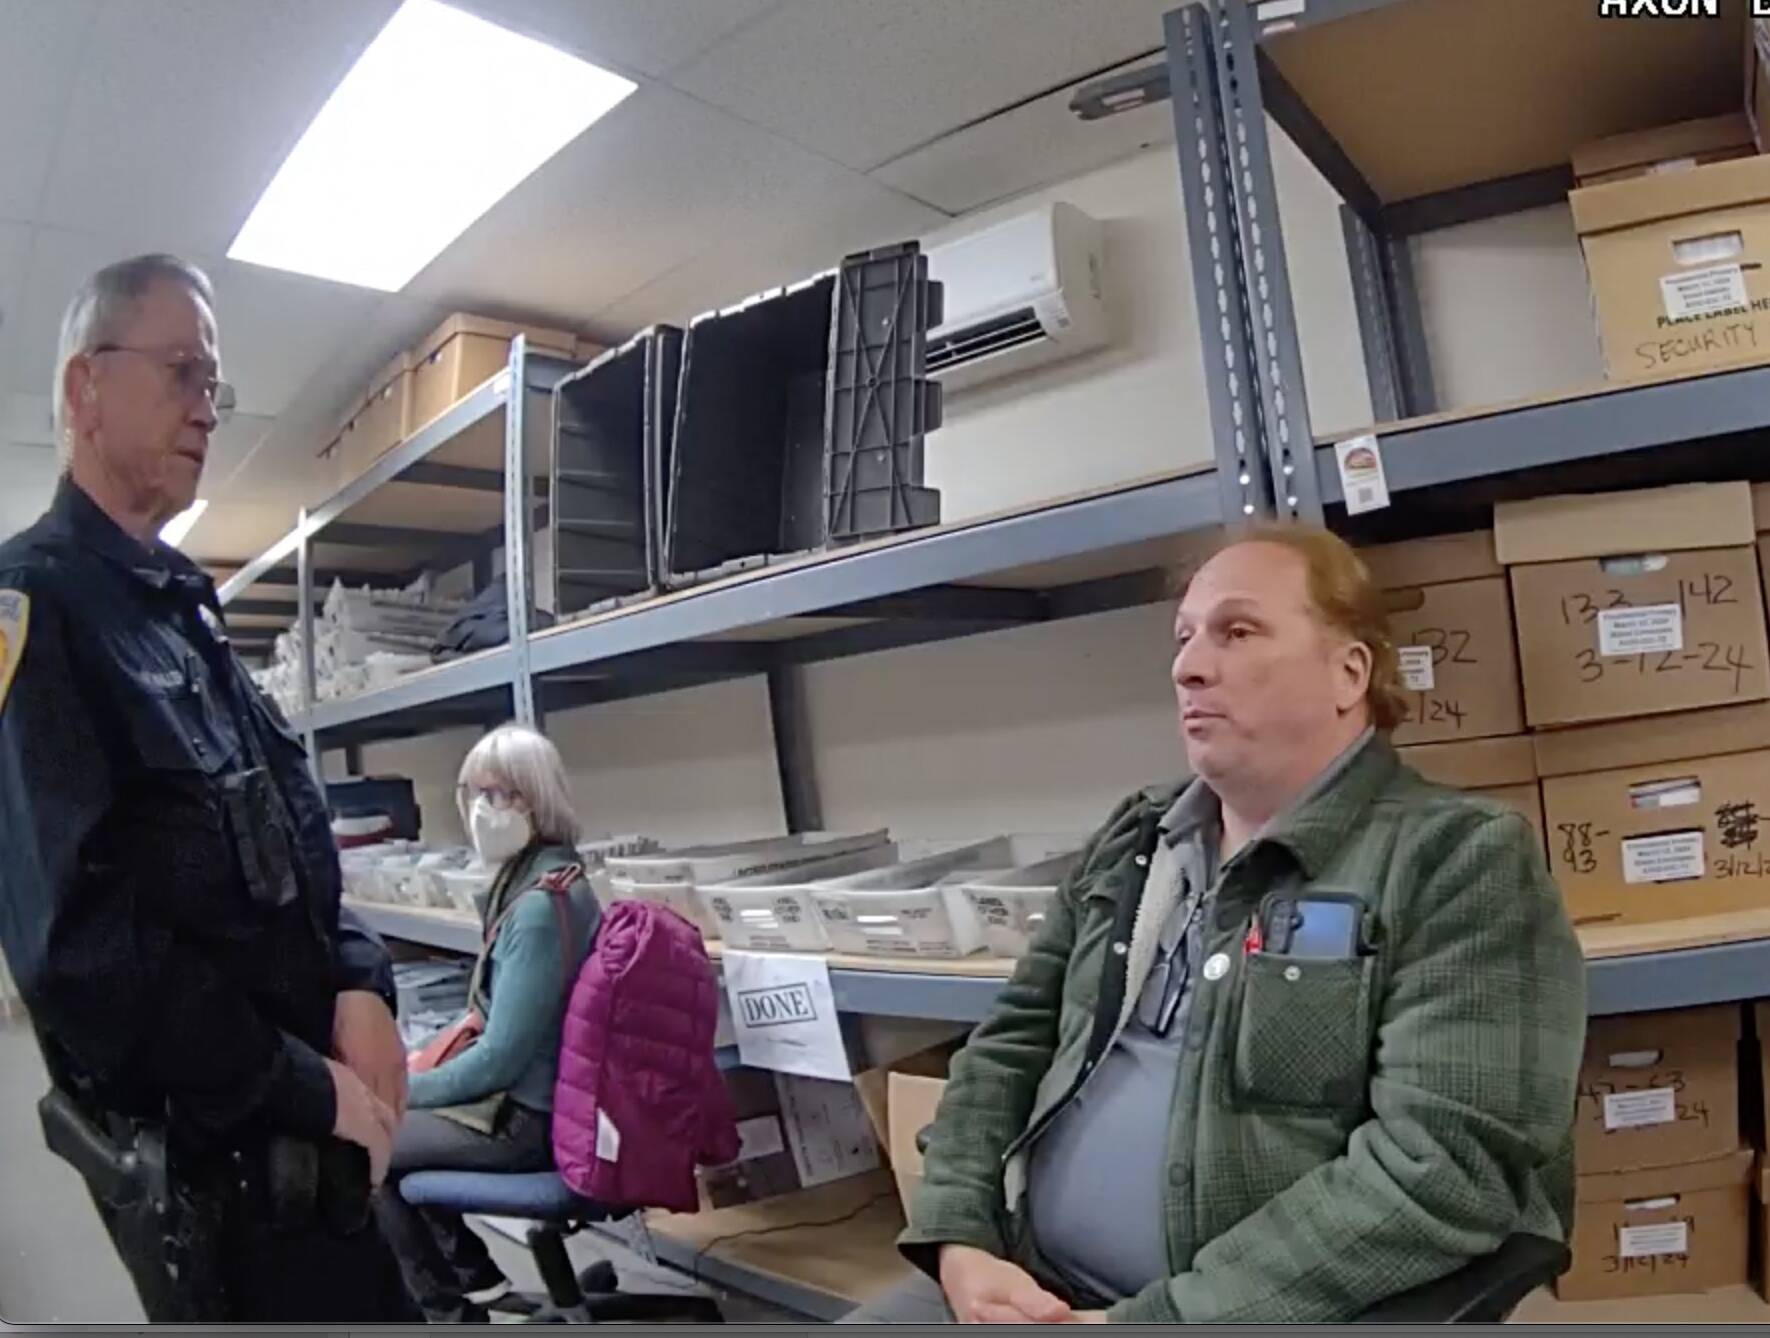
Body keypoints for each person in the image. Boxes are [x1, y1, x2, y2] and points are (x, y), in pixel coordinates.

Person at [853, 526, 1586, 1324]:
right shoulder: (1136, 841)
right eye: (1184, 638)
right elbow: (1009, 1045)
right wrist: (960, 1237)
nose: (1188, 666)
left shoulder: (1457, 860)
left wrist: (1164, 1320)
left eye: (1237, 632)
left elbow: (1445, 1167)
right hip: (1033, 1283)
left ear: (1349, 673)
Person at [0, 254, 419, 1321]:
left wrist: (360, 981)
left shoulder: (182, 607)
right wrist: (309, 1084)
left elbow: (292, 831)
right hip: (226, 1194)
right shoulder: (30, 608)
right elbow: (84, 957)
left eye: (213, 384)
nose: (208, 409)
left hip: (322, 1159)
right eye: (183, 372)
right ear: (84, 388)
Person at [373, 724, 601, 1324]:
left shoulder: (535, 913)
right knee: (397, 1126)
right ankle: (481, 1285)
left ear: (538, 799)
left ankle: (450, 1315)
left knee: (361, 1146)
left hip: (528, 1118)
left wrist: (398, 1090)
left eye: (501, 796)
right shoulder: (553, 878)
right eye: (474, 793)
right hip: (549, 1099)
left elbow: (500, 1060)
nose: (482, 811)